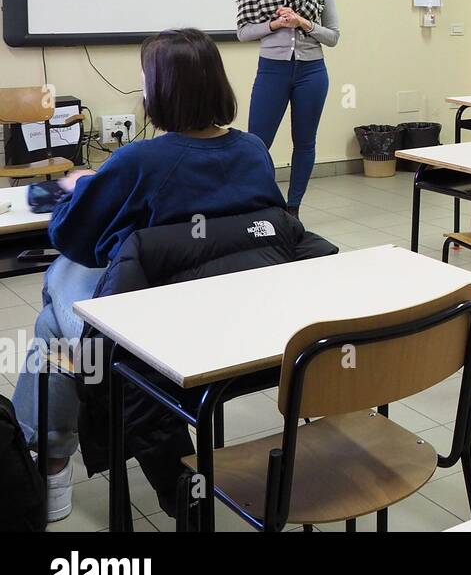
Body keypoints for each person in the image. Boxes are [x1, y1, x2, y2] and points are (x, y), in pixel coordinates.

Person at [11, 29, 285, 522]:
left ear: (159, 89)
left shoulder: (140, 161)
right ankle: (46, 456)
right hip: (236, 320)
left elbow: (72, 234)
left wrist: (82, 188)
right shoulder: (253, 151)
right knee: (66, 301)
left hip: (158, 334)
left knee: (57, 301)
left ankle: (45, 462)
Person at [235, 0, 340, 215]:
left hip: (312, 72)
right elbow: (243, 32)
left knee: (305, 142)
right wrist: (276, 24)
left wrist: (303, 23)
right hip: (272, 70)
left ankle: (293, 208)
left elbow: (333, 36)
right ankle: (256, 202)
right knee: (257, 142)